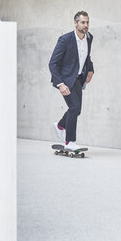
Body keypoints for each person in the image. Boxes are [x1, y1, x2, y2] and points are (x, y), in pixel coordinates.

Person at [49, 11, 94, 151]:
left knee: (77, 109)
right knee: (74, 107)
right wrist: (60, 83)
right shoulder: (65, 39)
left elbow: (87, 57)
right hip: (66, 79)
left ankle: (60, 125)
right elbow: (53, 63)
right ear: (75, 23)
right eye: (82, 22)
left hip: (79, 79)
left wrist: (91, 69)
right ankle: (70, 142)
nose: (85, 25)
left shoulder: (89, 38)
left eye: (87, 22)